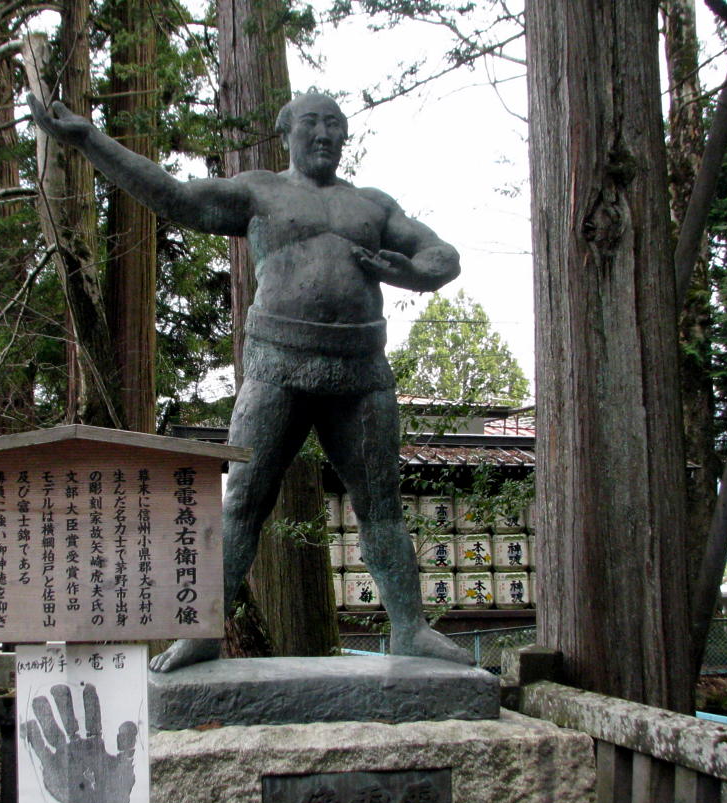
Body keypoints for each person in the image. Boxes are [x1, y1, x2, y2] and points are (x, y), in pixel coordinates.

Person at [30, 90, 472, 671]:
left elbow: (442, 254)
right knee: (242, 499)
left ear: (345, 136)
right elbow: (175, 197)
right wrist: (90, 140)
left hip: (361, 368)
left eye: (334, 125)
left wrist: (414, 272)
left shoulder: (371, 205)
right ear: (286, 131)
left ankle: (410, 628)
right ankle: (203, 631)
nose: (323, 135)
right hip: (277, 362)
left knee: (381, 503)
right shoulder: (259, 191)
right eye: (311, 123)